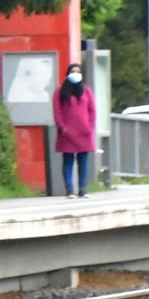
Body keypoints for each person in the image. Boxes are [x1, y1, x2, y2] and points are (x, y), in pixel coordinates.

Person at [55, 64, 96, 198]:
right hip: (67, 133)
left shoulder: (86, 90)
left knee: (83, 161)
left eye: (78, 72)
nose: (75, 74)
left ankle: (82, 189)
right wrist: (62, 127)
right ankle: (69, 190)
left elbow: (92, 110)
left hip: (84, 132)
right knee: (68, 161)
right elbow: (57, 111)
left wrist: (90, 127)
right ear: (68, 74)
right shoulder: (60, 91)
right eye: (73, 71)